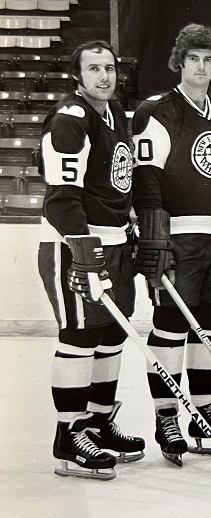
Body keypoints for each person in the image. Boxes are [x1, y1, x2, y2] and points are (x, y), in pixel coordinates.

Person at [132, 24, 211, 466]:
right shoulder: (156, 111)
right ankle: (167, 417)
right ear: (179, 63)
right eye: (193, 59)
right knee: (171, 324)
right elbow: (147, 177)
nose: (201, 67)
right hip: (178, 235)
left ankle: (204, 412)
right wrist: (154, 237)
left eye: (208, 60)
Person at [38, 40, 144, 480]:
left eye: (110, 68)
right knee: (80, 337)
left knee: (111, 335)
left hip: (115, 244)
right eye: (95, 69)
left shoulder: (115, 113)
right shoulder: (70, 121)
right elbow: (61, 201)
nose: (105, 76)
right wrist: (84, 249)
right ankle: (69, 433)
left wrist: (131, 223)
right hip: (75, 246)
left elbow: (117, 183)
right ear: (77, 76)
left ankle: (98, 423)